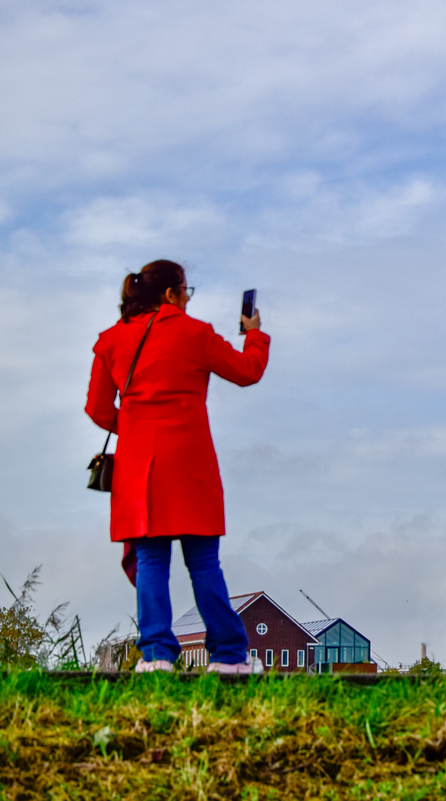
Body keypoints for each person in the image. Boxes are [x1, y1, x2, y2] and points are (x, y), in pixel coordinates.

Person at [86, 260, 270, 674]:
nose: (188, 299)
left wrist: (133, 428)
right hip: (190, 465)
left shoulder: (111, 342)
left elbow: (97, 408)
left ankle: (156, 657)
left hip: (139, 472)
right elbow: (247, 371)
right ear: (171, 294)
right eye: (187, 292)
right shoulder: (194, 334)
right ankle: (228, 657)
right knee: (204, 563)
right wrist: (253, 333)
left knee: (152, 562)